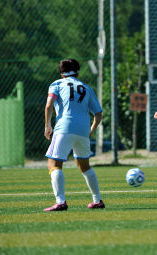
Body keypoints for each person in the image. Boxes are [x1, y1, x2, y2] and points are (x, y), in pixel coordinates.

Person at [44, 58, 104, 211]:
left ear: (61, 73)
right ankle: (97, 200)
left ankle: (60, 201)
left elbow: (49, 105)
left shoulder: (57, 84)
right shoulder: (86, 87)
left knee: (54, 163)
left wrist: (48, 126)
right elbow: (98, 114)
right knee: (84, 166)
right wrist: (90, 130)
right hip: (83, 130)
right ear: (77, 71)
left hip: (64, 128)